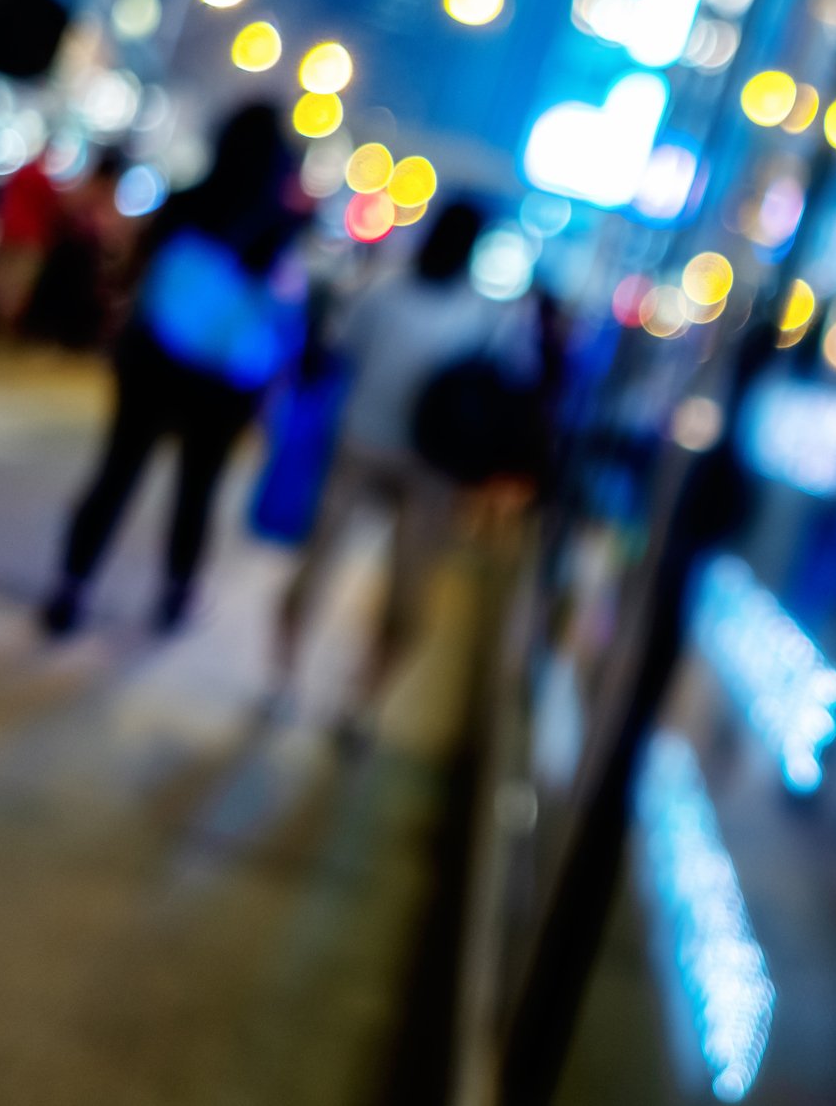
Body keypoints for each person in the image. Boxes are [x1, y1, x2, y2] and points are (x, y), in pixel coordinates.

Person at [44, 102, 310, 635]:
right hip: (223, 384)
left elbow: (140, 271)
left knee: (116, 473)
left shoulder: (188, 201)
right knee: (198, 491)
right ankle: (175, 594)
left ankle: (71, 587)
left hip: (153, 364)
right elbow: (283, 315)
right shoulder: (280, 227)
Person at [273, 201, 533, 734]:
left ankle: (305, 688)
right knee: (389, 591)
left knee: (342, 573)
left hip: (380, 452)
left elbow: (337, 351)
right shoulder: (476, 313)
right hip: (408, 460)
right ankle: (346, 699)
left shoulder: (392, 293)